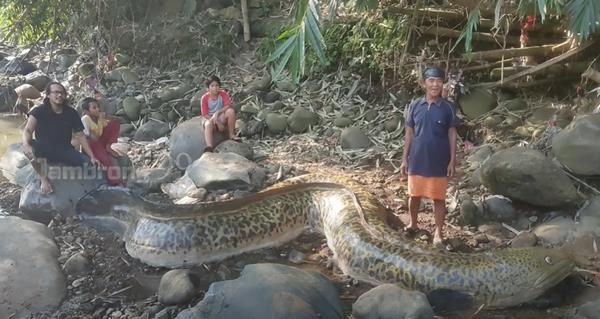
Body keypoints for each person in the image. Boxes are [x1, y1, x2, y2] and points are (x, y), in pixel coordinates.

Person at [400, 66, 458, 248]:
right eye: (431, 80)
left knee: (438, 198)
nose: (435, 84)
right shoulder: (415, 105)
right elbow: (409, 133)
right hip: (417, 158)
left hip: (439, 160)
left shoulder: (447, 108)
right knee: (414, 195)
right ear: (424, 83)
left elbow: (452, 134)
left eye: (439, 81)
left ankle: (439, 233)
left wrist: (452, 160)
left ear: (443, 84)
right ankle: (413, 223)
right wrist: (404, 158)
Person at [22, 82, 101, 194]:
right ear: (48, 95)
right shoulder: (39, 111)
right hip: (43, 148)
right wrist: (26, 144)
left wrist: (92, 156)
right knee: (30, 150)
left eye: (62, 93)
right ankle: (43, 179)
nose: (59, 95)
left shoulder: (71, 113)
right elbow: (28, 130)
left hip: (64, 149)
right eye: (56, 92)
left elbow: (80, 135)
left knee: (87, 163)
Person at [80, 97, 123, 186]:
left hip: (99, 141)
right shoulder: (85, 118)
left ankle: (108, 146)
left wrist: (106, 116)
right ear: (87, 111)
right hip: (91, 145)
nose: (98, 109)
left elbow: (111, 124)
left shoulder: (99, 117)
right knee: (106, 160)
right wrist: (91, 134)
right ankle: (114, 182)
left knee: (114, 124)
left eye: (98, 107)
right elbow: (85, 133)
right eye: (94, 108)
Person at [200, 75, 240, 152]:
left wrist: (217, 112)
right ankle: (209, 146)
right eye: (212, 86)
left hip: (220, 116)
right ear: (208, 88)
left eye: (217, 85)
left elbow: (228, 105)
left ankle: (231, 134)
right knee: (208, 124)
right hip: (210, 119)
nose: (215, 88)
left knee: (230, 111)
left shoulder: (223, 94)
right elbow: (205, 114)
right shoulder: (204, 98)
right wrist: (217, 122)